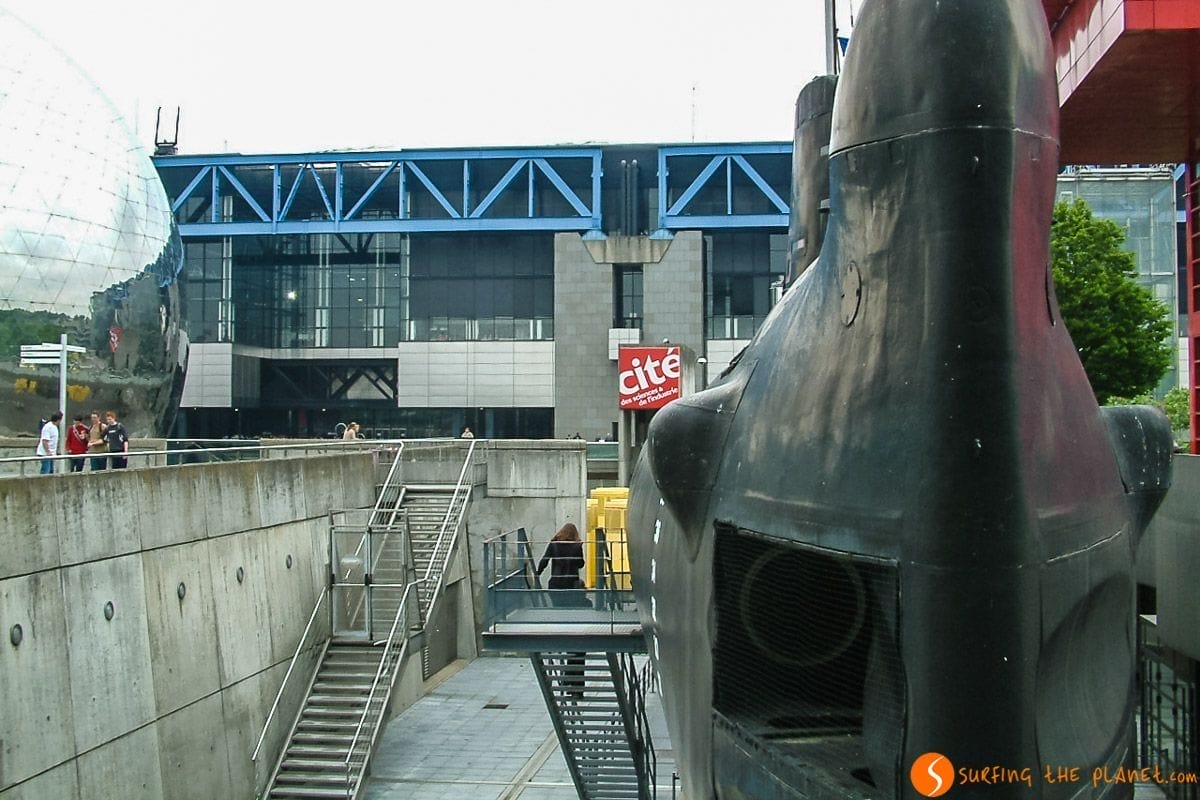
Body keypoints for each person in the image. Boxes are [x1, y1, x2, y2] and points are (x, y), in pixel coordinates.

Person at [536, 523, 586, 607]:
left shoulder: (554, 544)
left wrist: (538, 573)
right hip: (571, 583)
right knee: (570, 609)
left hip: (556, 581)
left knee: (557, 608)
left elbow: (545, 560)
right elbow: (580, 564)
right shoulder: (576, 546)